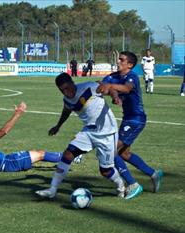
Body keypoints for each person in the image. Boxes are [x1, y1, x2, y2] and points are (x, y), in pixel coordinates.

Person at [36, 73, 126, 200]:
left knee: (105, 171)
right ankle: (52, 189)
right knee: (67, 154)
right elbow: (66, 111)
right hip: (88, 132)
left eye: (68, 88)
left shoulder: (88, 87)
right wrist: (58, 126)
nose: (66, 92)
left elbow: (109, 88)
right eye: (62, 90)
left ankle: (120, 185)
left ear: (73, 82)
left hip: (106, 133)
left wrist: (115, 97)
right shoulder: (67, 99)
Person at [97, 51, 163, 198]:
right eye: (118, 59)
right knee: (124, 154)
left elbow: (126, 89)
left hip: (136, 119)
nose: (118, 61)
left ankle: (133, 184)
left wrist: (110, 87)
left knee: (112, 151)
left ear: (130, 64)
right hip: (127, 119)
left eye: (121, 60)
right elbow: (101, 87)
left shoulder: (132, 77)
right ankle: (153, 173)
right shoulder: (113, 77)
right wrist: (110, 91)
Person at [0, 102, 66, 172]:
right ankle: (71, 157)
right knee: (40, 154)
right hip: (7, 163)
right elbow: (3, 131)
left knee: (35, 153)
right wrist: (18, 114)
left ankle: (66, 157)